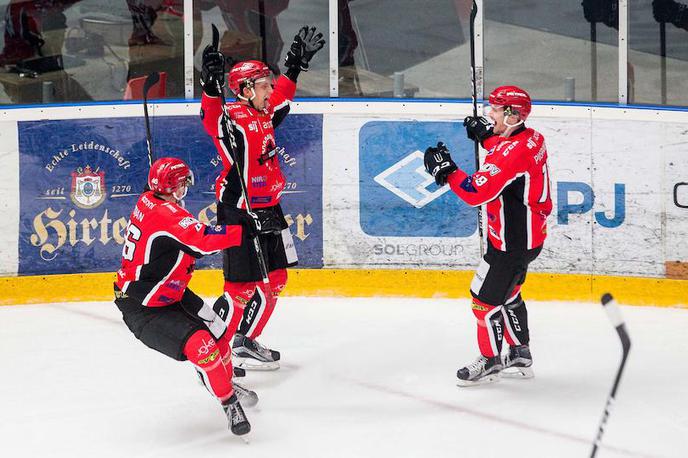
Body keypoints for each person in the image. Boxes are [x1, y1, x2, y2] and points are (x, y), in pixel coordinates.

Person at [198, 26, 325, 370]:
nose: (270, 88)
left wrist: (295, 64)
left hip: (269, 209)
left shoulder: (265, 112)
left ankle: (243, 340)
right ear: (244, 89)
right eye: (264, 84)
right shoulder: (234, 119)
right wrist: (210, 86)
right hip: (240, 211)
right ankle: (214, 349)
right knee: (239, 288)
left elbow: (284, 95)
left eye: (269, 83)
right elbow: (211, 119)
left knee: (277, 280)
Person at [114, 157, 260, 435]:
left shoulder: (151, 200)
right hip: (144, 306)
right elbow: (201, 241)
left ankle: (223, 382)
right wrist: (241, 232)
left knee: (220, 332)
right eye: (182, 184)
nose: (185, 189)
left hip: (171, 292)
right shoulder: (165, 214)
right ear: (172, 186)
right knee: (203, 346)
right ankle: (228, 402)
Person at [424, 86, 552, 386]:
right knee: (509, 294)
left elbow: (475, 191)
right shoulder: (532, 138)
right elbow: (507, 151)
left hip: (510, 245)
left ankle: (491, 360)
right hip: (528, 238)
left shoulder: (512, 153)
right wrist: (486, 137)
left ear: (512, 115)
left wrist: (447, 171)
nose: (488, 114)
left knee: (483, 302)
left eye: (495, 109)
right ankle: (520, 352)